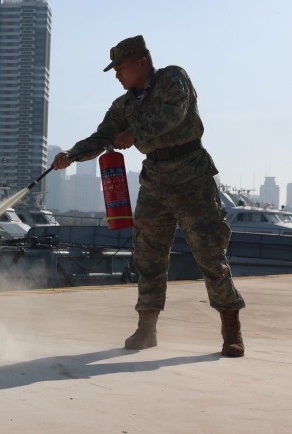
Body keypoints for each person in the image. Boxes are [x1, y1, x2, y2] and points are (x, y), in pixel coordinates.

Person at [52, 35, 246, 357]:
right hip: (155, 182)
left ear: (141, 62)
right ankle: (147, 328)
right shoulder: (124, 105)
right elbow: (103, 136)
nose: (117, 75)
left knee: (210, 255)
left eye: (120, 67)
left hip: (192, 178)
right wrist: (72, 154)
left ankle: (231, 329)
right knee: (148, 256)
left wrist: (135, 133)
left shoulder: (172, 78)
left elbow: (175, 114)